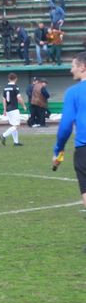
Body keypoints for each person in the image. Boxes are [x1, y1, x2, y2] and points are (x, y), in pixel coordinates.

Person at [52, 52, 86, 209]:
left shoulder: (73, 92)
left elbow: (65, 126)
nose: (71, 70)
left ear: (82, 67)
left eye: (73, 66)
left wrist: (58, 149)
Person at [0, 72, 27, 147]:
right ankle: (3, 135)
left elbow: (4, 99)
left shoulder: (5, 87)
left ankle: (16, 142)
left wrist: (4, 109)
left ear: (8, 79)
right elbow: (19, 98)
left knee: (13, 125)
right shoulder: (15, 87)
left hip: (8, 109)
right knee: (16, 125)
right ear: (16, 79)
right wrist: (24, 106)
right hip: (14, 108)